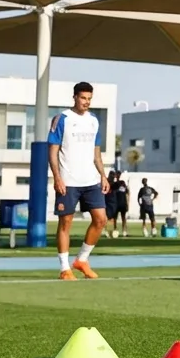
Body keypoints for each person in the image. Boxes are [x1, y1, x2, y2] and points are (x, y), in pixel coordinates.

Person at [49, 82, 109, 279]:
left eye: (89, 99)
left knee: (101, 220)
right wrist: (57, 178)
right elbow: (53, 152)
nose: (86, 102)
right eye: (83, 98)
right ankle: (64, 268)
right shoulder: (62, 119)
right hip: (68, 180)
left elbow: (96, 153)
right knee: (66, 223)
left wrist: (103, 174)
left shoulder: (94, 120)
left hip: (91, 181)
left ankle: (82, 260)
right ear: (75, 97)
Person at [104, 170, 131, 238]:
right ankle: (114, 230)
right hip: (116, 203)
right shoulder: (114, 184)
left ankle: (124, 231)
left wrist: (128, 203)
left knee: (123, 218)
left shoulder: (122, 183)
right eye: (117, 174)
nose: (117, 175)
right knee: (114, 218)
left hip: (123, 203)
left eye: (119, 174)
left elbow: (127, 193)